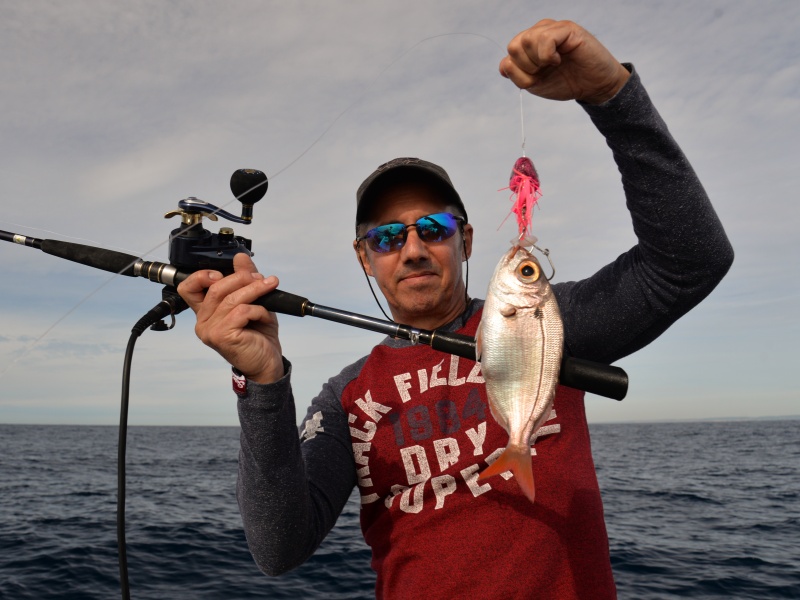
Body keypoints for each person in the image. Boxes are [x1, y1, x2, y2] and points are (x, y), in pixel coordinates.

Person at [178, 19, 733, 600]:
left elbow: (692, 259)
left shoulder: (545, 319)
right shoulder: (346, 398)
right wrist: (262, 380)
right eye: (388, 237)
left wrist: (611, 97)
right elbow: (279, 549)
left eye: (434, 228)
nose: (413, 249)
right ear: (365, 258)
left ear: (466, 240)